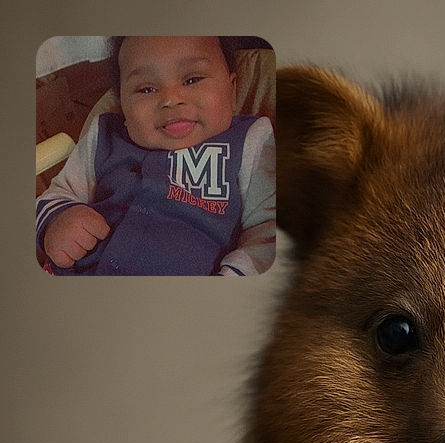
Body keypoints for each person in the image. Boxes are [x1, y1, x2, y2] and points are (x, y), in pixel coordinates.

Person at [36, 36, 275, 276]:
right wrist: (56, 221)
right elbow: (59, 193)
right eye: (146, 89)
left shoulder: (251, 141)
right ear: (123, 105)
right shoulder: (105, 135)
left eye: (192, 79)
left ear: (232, 90)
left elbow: (268, 229)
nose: (170, 99)